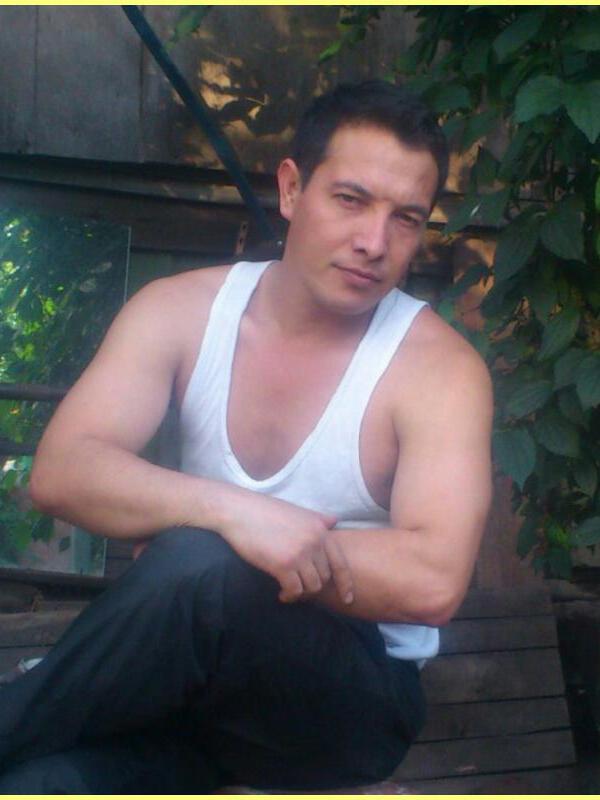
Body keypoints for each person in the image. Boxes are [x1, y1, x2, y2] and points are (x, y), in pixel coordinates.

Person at [0, 80, 493, 793]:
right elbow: (64, 470)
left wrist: (225, 554)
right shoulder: (180, 311)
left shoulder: (438, 370)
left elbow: (434, 579)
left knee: (203, 563)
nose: (374, 242)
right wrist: (238, 515)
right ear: (291, 189)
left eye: (406, 219)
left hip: (343, 706)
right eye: (350, 200)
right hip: (183, 688)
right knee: (43, 785)